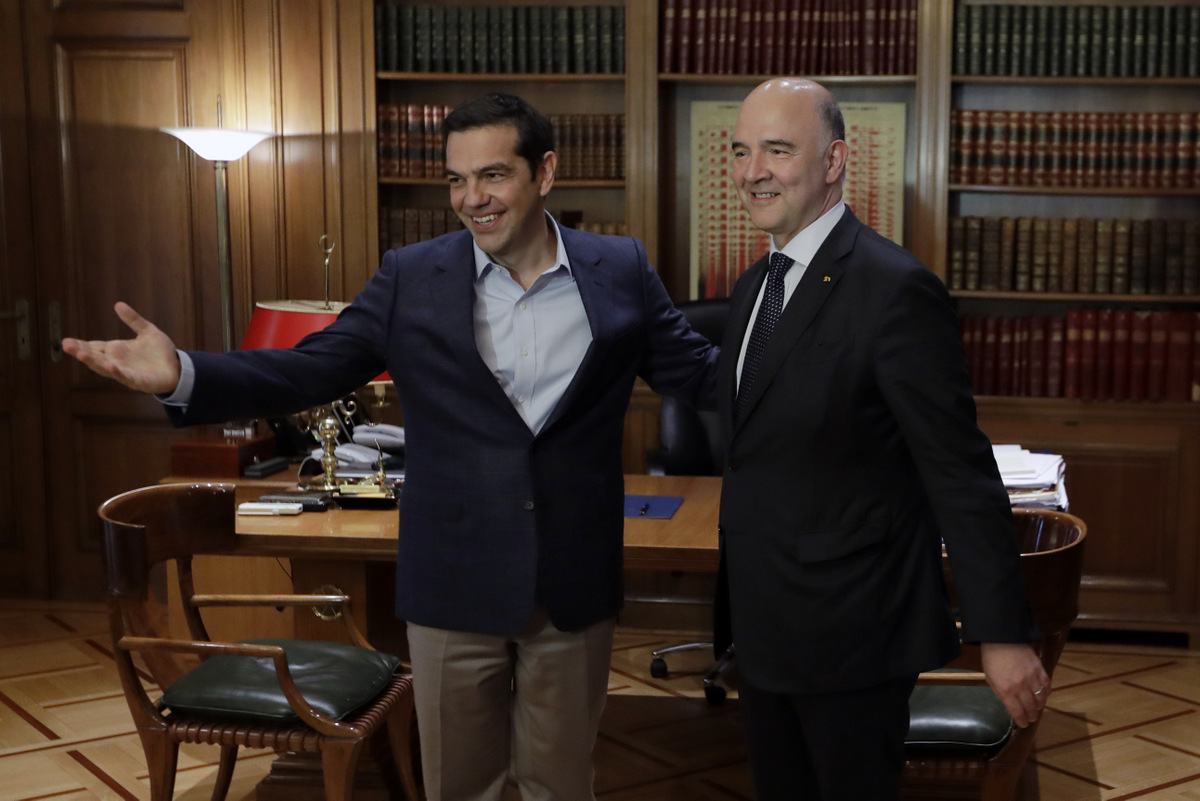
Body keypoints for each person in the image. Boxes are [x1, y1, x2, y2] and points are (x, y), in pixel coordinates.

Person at [63, 93, 718, 801]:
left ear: (545, 172)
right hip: (452, 581)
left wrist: (824, 366)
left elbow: (702, 375)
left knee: (559, 786)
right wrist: (184, 372)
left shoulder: (619, 267)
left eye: (492, 176)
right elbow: (310, 367)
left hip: (572, 578)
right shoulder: (411, 275)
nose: (473, 199)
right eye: (457, 180)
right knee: (462, 787)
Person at [713, 77, 1049, 800]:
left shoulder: (895, 289)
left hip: (852, 639)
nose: (751, 172)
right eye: (741, 152)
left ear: (834, 161)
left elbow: (958, 470)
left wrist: (1001, 633)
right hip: (766, 629)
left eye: (777, 150)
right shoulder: (752, 289)